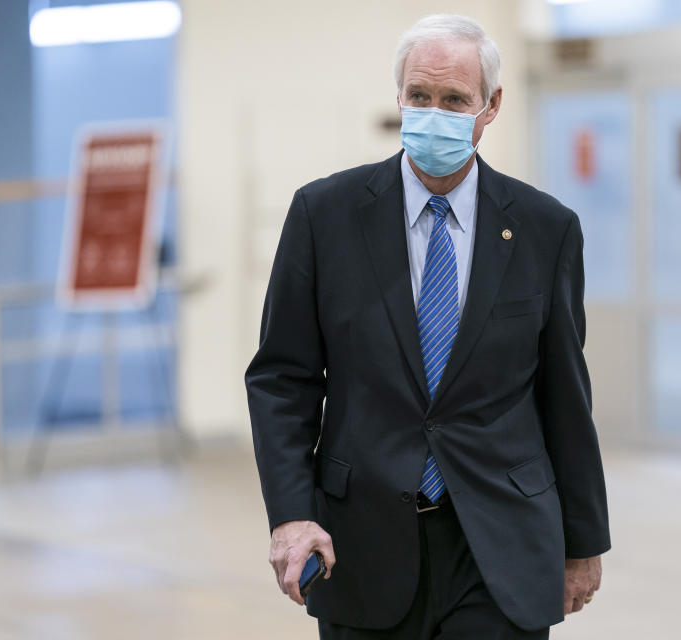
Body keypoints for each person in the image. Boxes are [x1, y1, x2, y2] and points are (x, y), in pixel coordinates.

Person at [245, 13, 611, 640]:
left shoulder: (545, 230)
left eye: (452, 100)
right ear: (398, 96)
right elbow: (283, 379)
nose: (432, 113)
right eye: (419, 96)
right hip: (360, 543)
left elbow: (564, 393)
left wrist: (583, 540)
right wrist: (291, 516)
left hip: (498, 543)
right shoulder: (324, 216)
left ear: (490, 106)